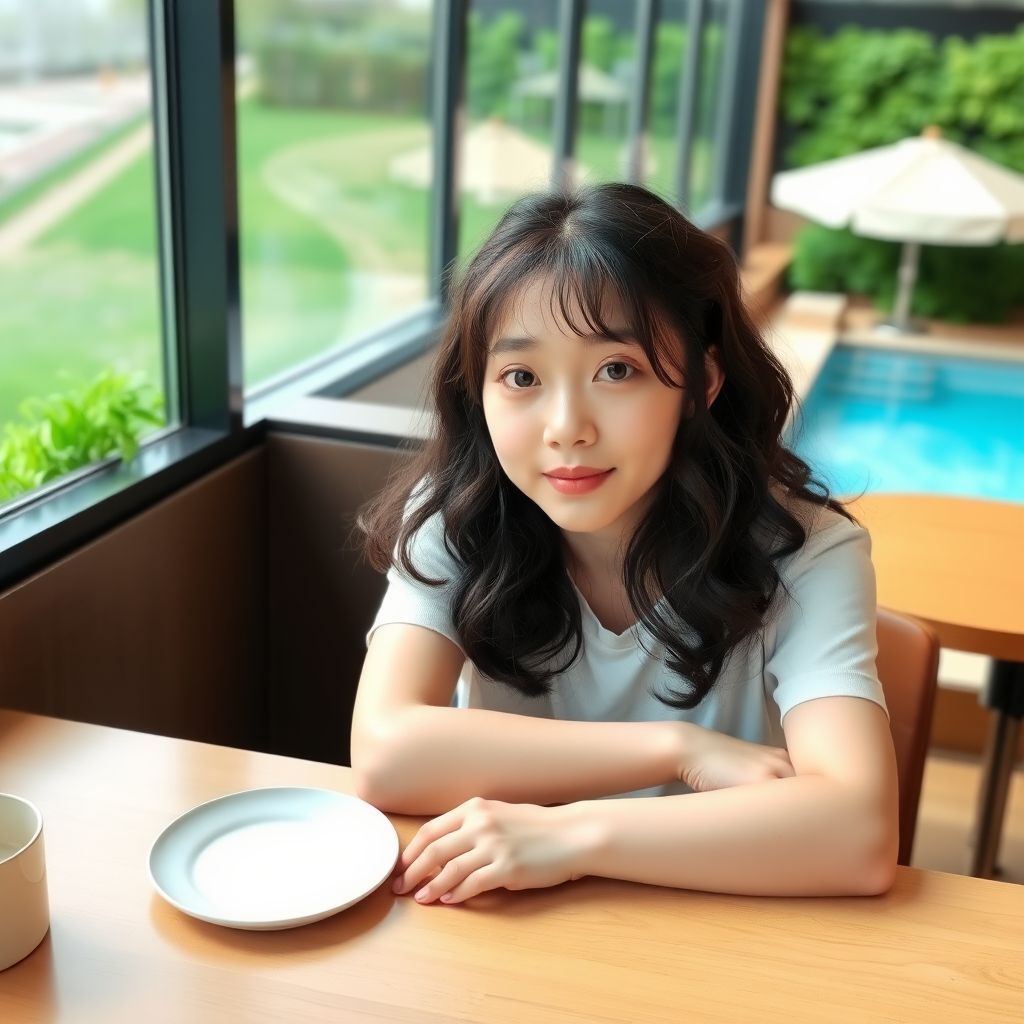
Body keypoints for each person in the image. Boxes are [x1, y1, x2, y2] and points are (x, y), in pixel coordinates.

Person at [351, 183, 898, 905]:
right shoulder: (459, 515)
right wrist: (678, 749)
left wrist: (571, 838)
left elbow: (857, 833)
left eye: (618, 370)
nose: (567, 427)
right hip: (506, 925)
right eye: (521, 376)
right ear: (477, 389)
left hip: (717, 935)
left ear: (700, 380)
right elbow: (386, 754)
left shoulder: (807, 554)